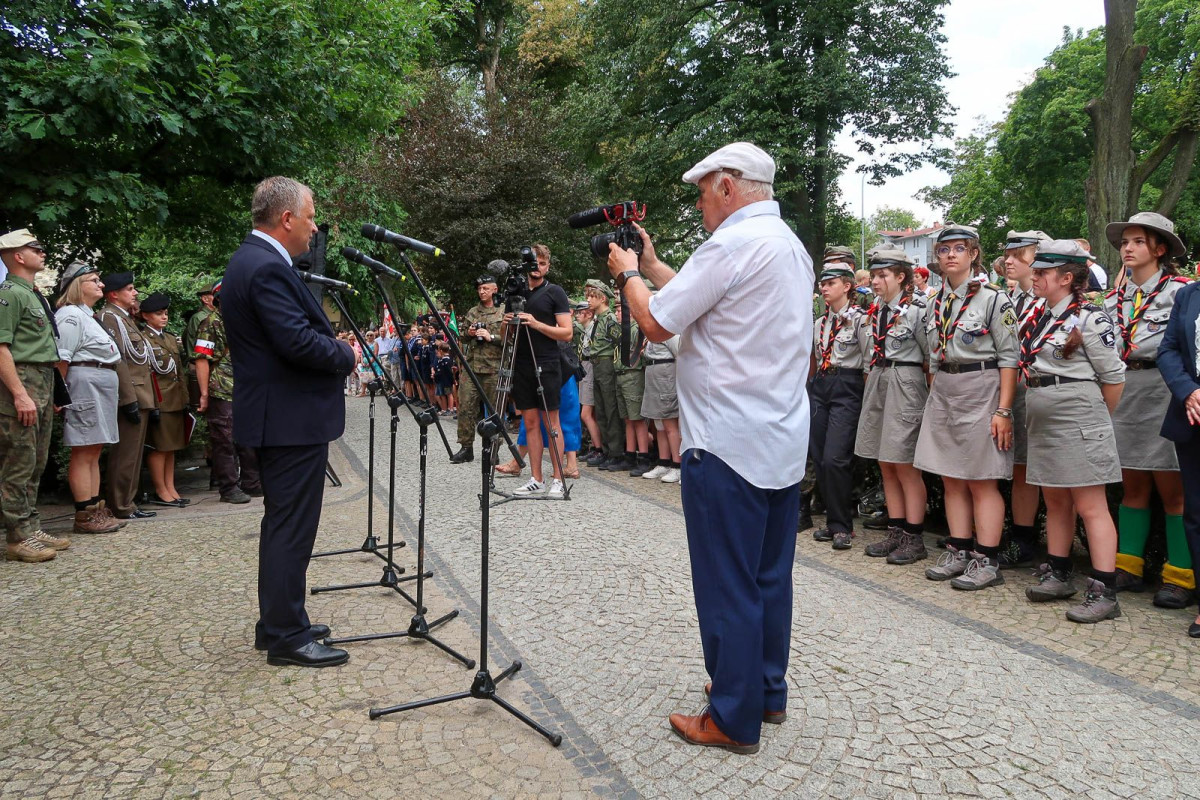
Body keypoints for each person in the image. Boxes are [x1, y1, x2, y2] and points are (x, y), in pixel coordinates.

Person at [607, 142, 813, 755]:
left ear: (728, 187)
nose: (699, 203)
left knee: (728, 584)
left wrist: (627, 275)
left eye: (702, 192)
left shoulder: (730, 244)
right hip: (775, 436)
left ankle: (731, 716)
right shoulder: (787, 246)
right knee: (770, 578)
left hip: (724, 441)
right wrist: (654, 265)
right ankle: (764, 690)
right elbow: (697, 299)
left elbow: (655, 321)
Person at [220, 175, 357, 668]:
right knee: (290, 527)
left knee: (286, 524)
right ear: (287, 219)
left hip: (281, 416)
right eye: (311, 216)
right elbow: (295, 341)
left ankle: (278, 621)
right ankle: (285, 635)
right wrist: (343, 352)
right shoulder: (265, 268)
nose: (314, 227)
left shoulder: (253, 261)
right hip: (288, 419)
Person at [1021, 239, 1126, 623]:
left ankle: (1104, 589)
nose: (1035, 277)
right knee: (1056, 501)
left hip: (1079, 414)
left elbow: (1113, 378)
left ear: (1066, 278)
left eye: (1043, 273)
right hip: (1045, 416)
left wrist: (1096, 418)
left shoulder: (1090, 318)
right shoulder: (1039, 314)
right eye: (1036, 271)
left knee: (1090, 505)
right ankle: (1059, 572)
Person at [914, 225, 1019, 590]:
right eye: (944, 250)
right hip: (945, 388)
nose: (951, 255)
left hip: (981, 387)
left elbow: (1010, 359)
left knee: (982, 479)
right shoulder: (934, 301)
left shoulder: (994, 299)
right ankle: (958, 550)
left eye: (960, 248)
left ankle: (986, 560)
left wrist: (1003, 411)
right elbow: (932, 356)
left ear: (973, 254)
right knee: (950, 476)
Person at [1103, 212, 1193, 608]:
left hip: (1165, 388)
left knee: (1173, 486)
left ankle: (1180, 577)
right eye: (1125, 242)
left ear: (1159, 249)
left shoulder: (1182, 292)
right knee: (1133, 481)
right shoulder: (1112, 298)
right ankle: (1129, 566)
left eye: (1138, 241)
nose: (1127, 247)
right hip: (1126, 389)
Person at [0, 229, 72, 562]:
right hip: (23, 380)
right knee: (19, 460)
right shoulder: (10, 294)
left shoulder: (32, 292)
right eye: (35, 248)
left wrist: (51, 390)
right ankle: (16, 538)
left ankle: (31, 527)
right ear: (17, 255)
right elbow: (2, 348)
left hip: (41, 378)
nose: (42, 252)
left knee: (36, 460)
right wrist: (19, 394)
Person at [856, 248, 930, 566]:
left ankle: (914, 536)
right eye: (873, 275)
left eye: (883, 275)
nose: (875, 280)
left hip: (906, 380)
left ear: (901, 277)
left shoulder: (917, 310)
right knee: (885, 462)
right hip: (880, 379)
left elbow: (931, 356)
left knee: (905, 464)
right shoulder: (877, 311)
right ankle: (895, 528)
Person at [53, 260, 122, 534]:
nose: (101, 284)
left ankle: (96, 508)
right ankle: (85, 513)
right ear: (76, 286)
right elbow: (62, 359)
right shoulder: (69, 315)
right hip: (84, 381)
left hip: (98, 381)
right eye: (94, 280)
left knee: (93, 448)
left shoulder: (86, 314)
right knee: (84, 448)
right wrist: (60, 394)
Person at [502, 243, 572, 499]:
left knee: (551, 423)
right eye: (534, 263)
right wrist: (507, 323)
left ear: (547, 266)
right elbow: (506, 337)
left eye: (542, 263)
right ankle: (536, 478)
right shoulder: (516, 294)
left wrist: (536, 323)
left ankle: (558, 478)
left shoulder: (555, 292)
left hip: (547, 361)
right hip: (521, 363)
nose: (537, 268)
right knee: (529, 422)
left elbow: (566, 332)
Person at [1000, 229, 1052, 568]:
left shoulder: (1053, 301)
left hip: (1046, 395)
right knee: (1020, 468)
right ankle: (1023, 537)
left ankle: (1060, 551)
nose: (1008, 260)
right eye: (1008, 254)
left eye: (1019, 255)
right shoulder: (1010, 301)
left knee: (1053, 473)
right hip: (1016, 394)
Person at [808, 262, 866, 550]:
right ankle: (833, 522)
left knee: (835, 458)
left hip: (847, 386)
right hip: (822, 387)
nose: (824, 287)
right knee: (819, 458)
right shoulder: (820, 323)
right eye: (822, 283)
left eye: (831, 283)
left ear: (847, 286)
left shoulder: (859, 320)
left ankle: (843, 526)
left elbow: (868, 361)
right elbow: (814, 359)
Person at [1156, 262, 1200, 637]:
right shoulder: (1189, 295)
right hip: (1195, 415)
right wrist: (1188, 390)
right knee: (1197, 513)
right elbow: (1168, 350)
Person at [96, 272, 159, 520]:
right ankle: (121, 504)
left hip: (141, 392)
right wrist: (128, 398)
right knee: (125, 453)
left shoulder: (125, 319)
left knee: (134, 454)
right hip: (130, 392)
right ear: (114, 294)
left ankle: (127, 502)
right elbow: (119, 359)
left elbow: (140, 359)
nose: (135, 293)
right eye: (130, 289)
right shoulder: (109, 318)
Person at [194, 281, 261, 504]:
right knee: (224, 440)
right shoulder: (209, 323)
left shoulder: (246, 321)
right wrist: (203, 394)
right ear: (219, 300)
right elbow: (202, 360)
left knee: (249, 438)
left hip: (246, 389)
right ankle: (229, 487)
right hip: (221, 388)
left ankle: (251, 482)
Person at [139, 292, 190, 508]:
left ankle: (170, 487)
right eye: (158, 314)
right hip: (160, 399)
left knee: (171, 447)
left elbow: (179, 371)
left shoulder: (168, 338)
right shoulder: (143, 338)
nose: (164, 317)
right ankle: (161, 489)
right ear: (145, 316)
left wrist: (186, 398)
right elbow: (146, 373)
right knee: (160, 447)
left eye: (166, 313)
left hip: (175, 398)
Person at [450, 274, 504, 463]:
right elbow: (462, 337)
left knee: (495, 410)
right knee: (465, 407)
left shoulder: (503, 311)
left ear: (494, 289)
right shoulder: (473, 312)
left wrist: (492, 337)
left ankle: (494, 448)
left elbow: (512, 339)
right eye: (480, 289)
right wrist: (469, 332)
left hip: (494, 368)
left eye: (486, 289)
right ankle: (466, 447)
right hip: (472, 367)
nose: (482, 292)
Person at [604, 302, 651, 474]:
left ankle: (644, 457)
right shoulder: (622, 329)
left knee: (637, 418)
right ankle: (630, 455)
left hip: (632, 375)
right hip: (621, 375)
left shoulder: (635, 329)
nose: (617, 313)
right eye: (616, 310)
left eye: (619, 310)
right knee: (627, 419)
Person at [582, 279, 623, 468]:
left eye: (593, 296)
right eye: (588, 296)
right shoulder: (599, 320)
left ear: (603, 298)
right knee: (601, 410)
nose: (589, 300)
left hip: (606, 364)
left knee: (610, 409)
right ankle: (606, 451)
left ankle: (615, 452)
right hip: (596, 363)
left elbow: (619, 342)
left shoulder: (609, 319)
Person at [639, 325, 682, 483]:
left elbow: (681, 353)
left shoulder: (669, 330)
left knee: (670, 423)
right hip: (653, 377)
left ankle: (677, 466)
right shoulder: (651, 331)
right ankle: (663, 462)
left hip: (666, 378)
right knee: (659, 424)